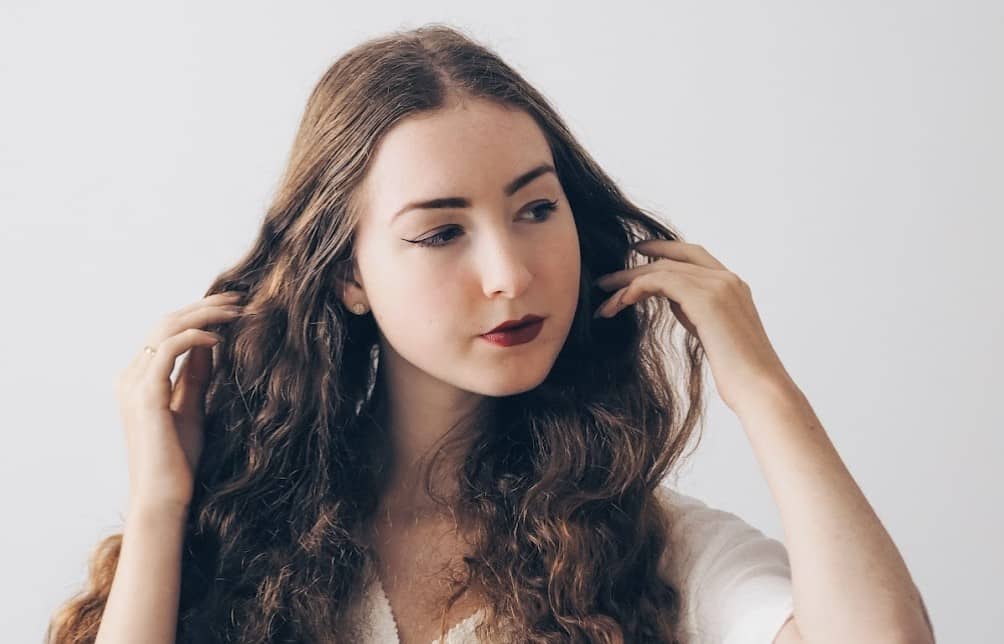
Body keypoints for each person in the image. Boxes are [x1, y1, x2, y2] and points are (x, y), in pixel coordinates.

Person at [47, 23, 933, 644]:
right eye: (440, 232)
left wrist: (765, 389)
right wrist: (164, 504)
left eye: (537, 209)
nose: (511, 271)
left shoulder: (650, 548)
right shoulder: (239, 537)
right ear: (349, 275)